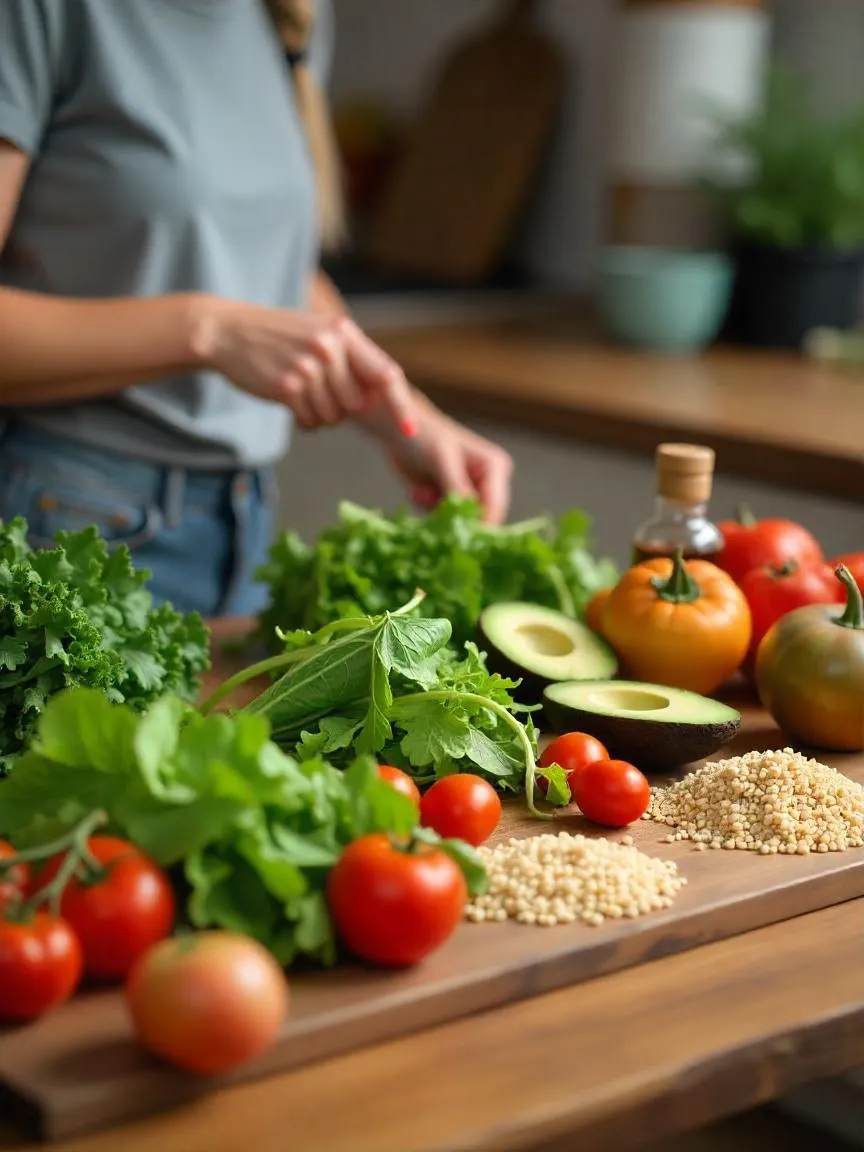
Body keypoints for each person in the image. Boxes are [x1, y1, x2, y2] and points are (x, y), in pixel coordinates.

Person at [0, 0, 513, 617]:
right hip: (62, 518)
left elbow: (262, 264)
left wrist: (405, 417)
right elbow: (225, 312)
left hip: (244, 525)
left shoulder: (290, 14)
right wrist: (207, 329)